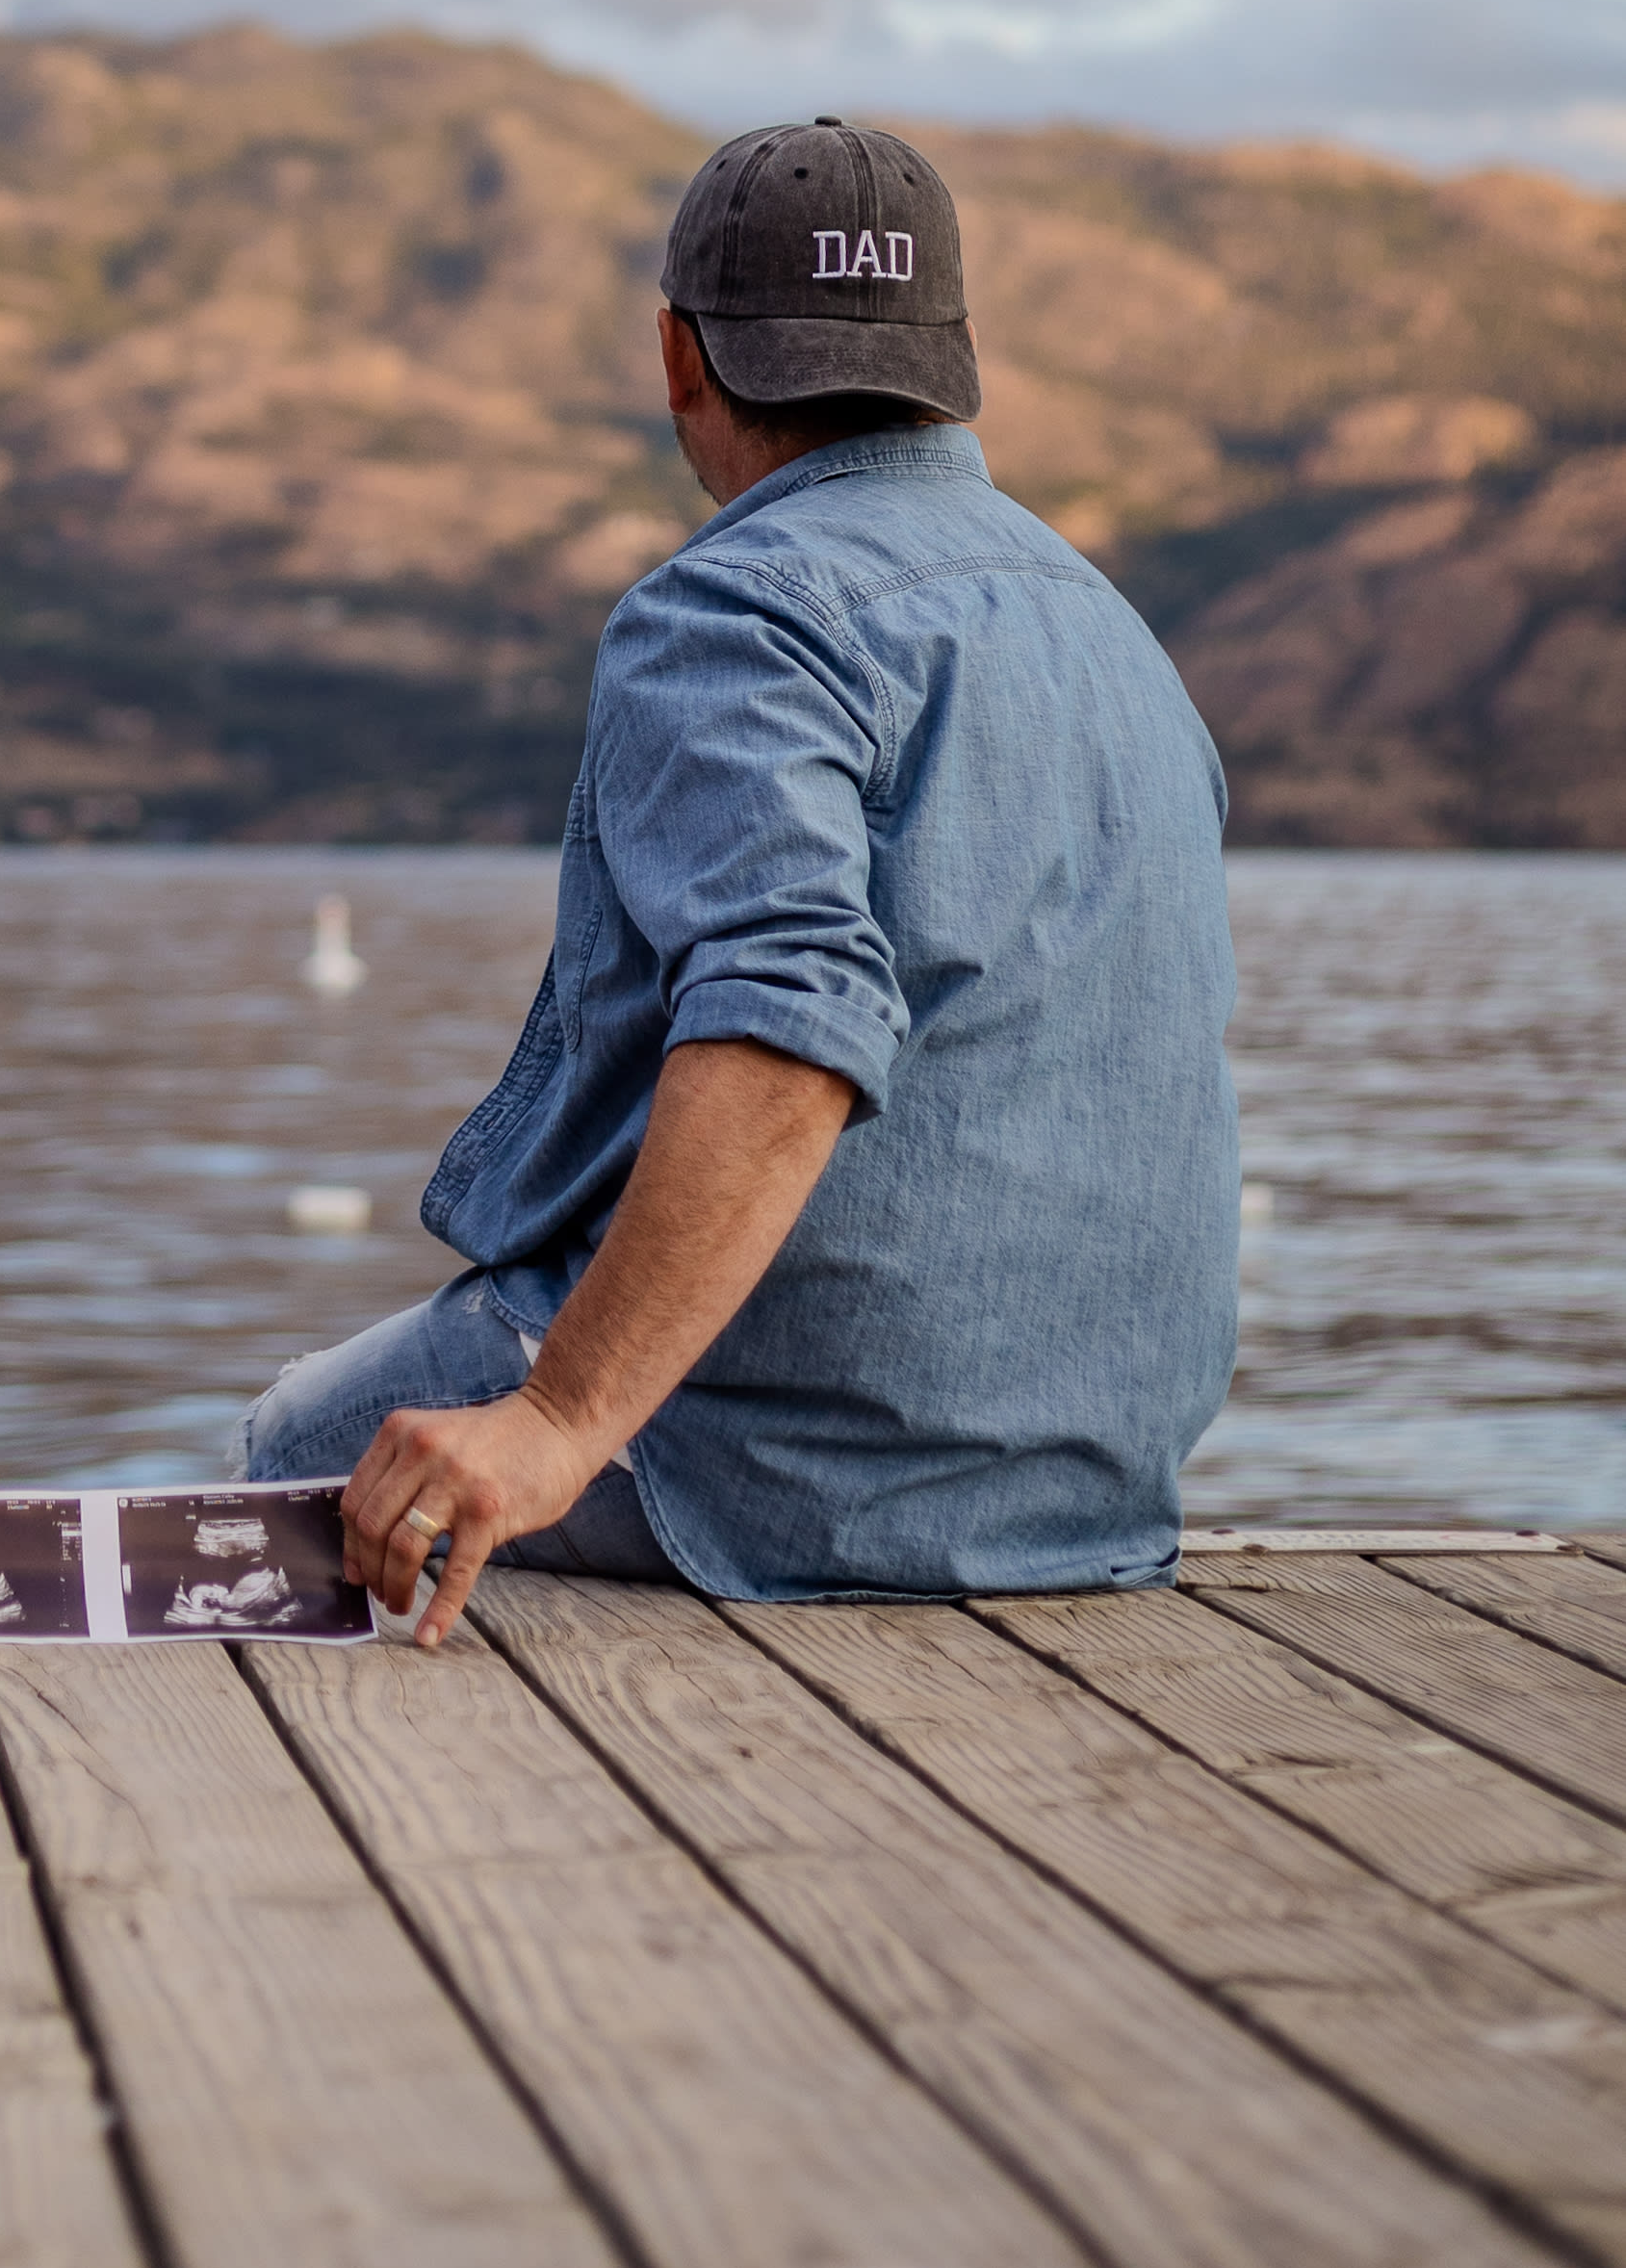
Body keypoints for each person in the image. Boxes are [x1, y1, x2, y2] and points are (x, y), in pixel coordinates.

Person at [232, 116, 1237, 1638]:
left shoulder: (734, 611)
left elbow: (786, 1032)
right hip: (1093, 1486)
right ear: (952, 355)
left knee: (299, 1448)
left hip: (790, 1468)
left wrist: (562, 1414)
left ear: (680, 357)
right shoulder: (1119, 639)